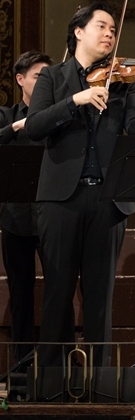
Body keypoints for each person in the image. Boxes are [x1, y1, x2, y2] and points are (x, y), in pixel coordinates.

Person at [26, 1, 135, 367]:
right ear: (79, 31)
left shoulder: (122, 82)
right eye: (102, 27)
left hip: (107, 200)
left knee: (99, 296)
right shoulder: (53, 78)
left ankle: (100, 381)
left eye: (113, 30)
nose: (110, 34)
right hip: (60, 200)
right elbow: (34, 126)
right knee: (57, 291)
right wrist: (76, 99)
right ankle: (51, 379)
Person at [0, 50, 52, 365]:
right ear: (20, 80)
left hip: (51, 216)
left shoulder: (56, 117)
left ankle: (52, 362)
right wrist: (18, 127)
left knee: (57, 292)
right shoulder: (6, 115)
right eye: (37, 76)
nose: (44, 82)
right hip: (15, 219)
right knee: (20, 295)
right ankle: (21, 364)